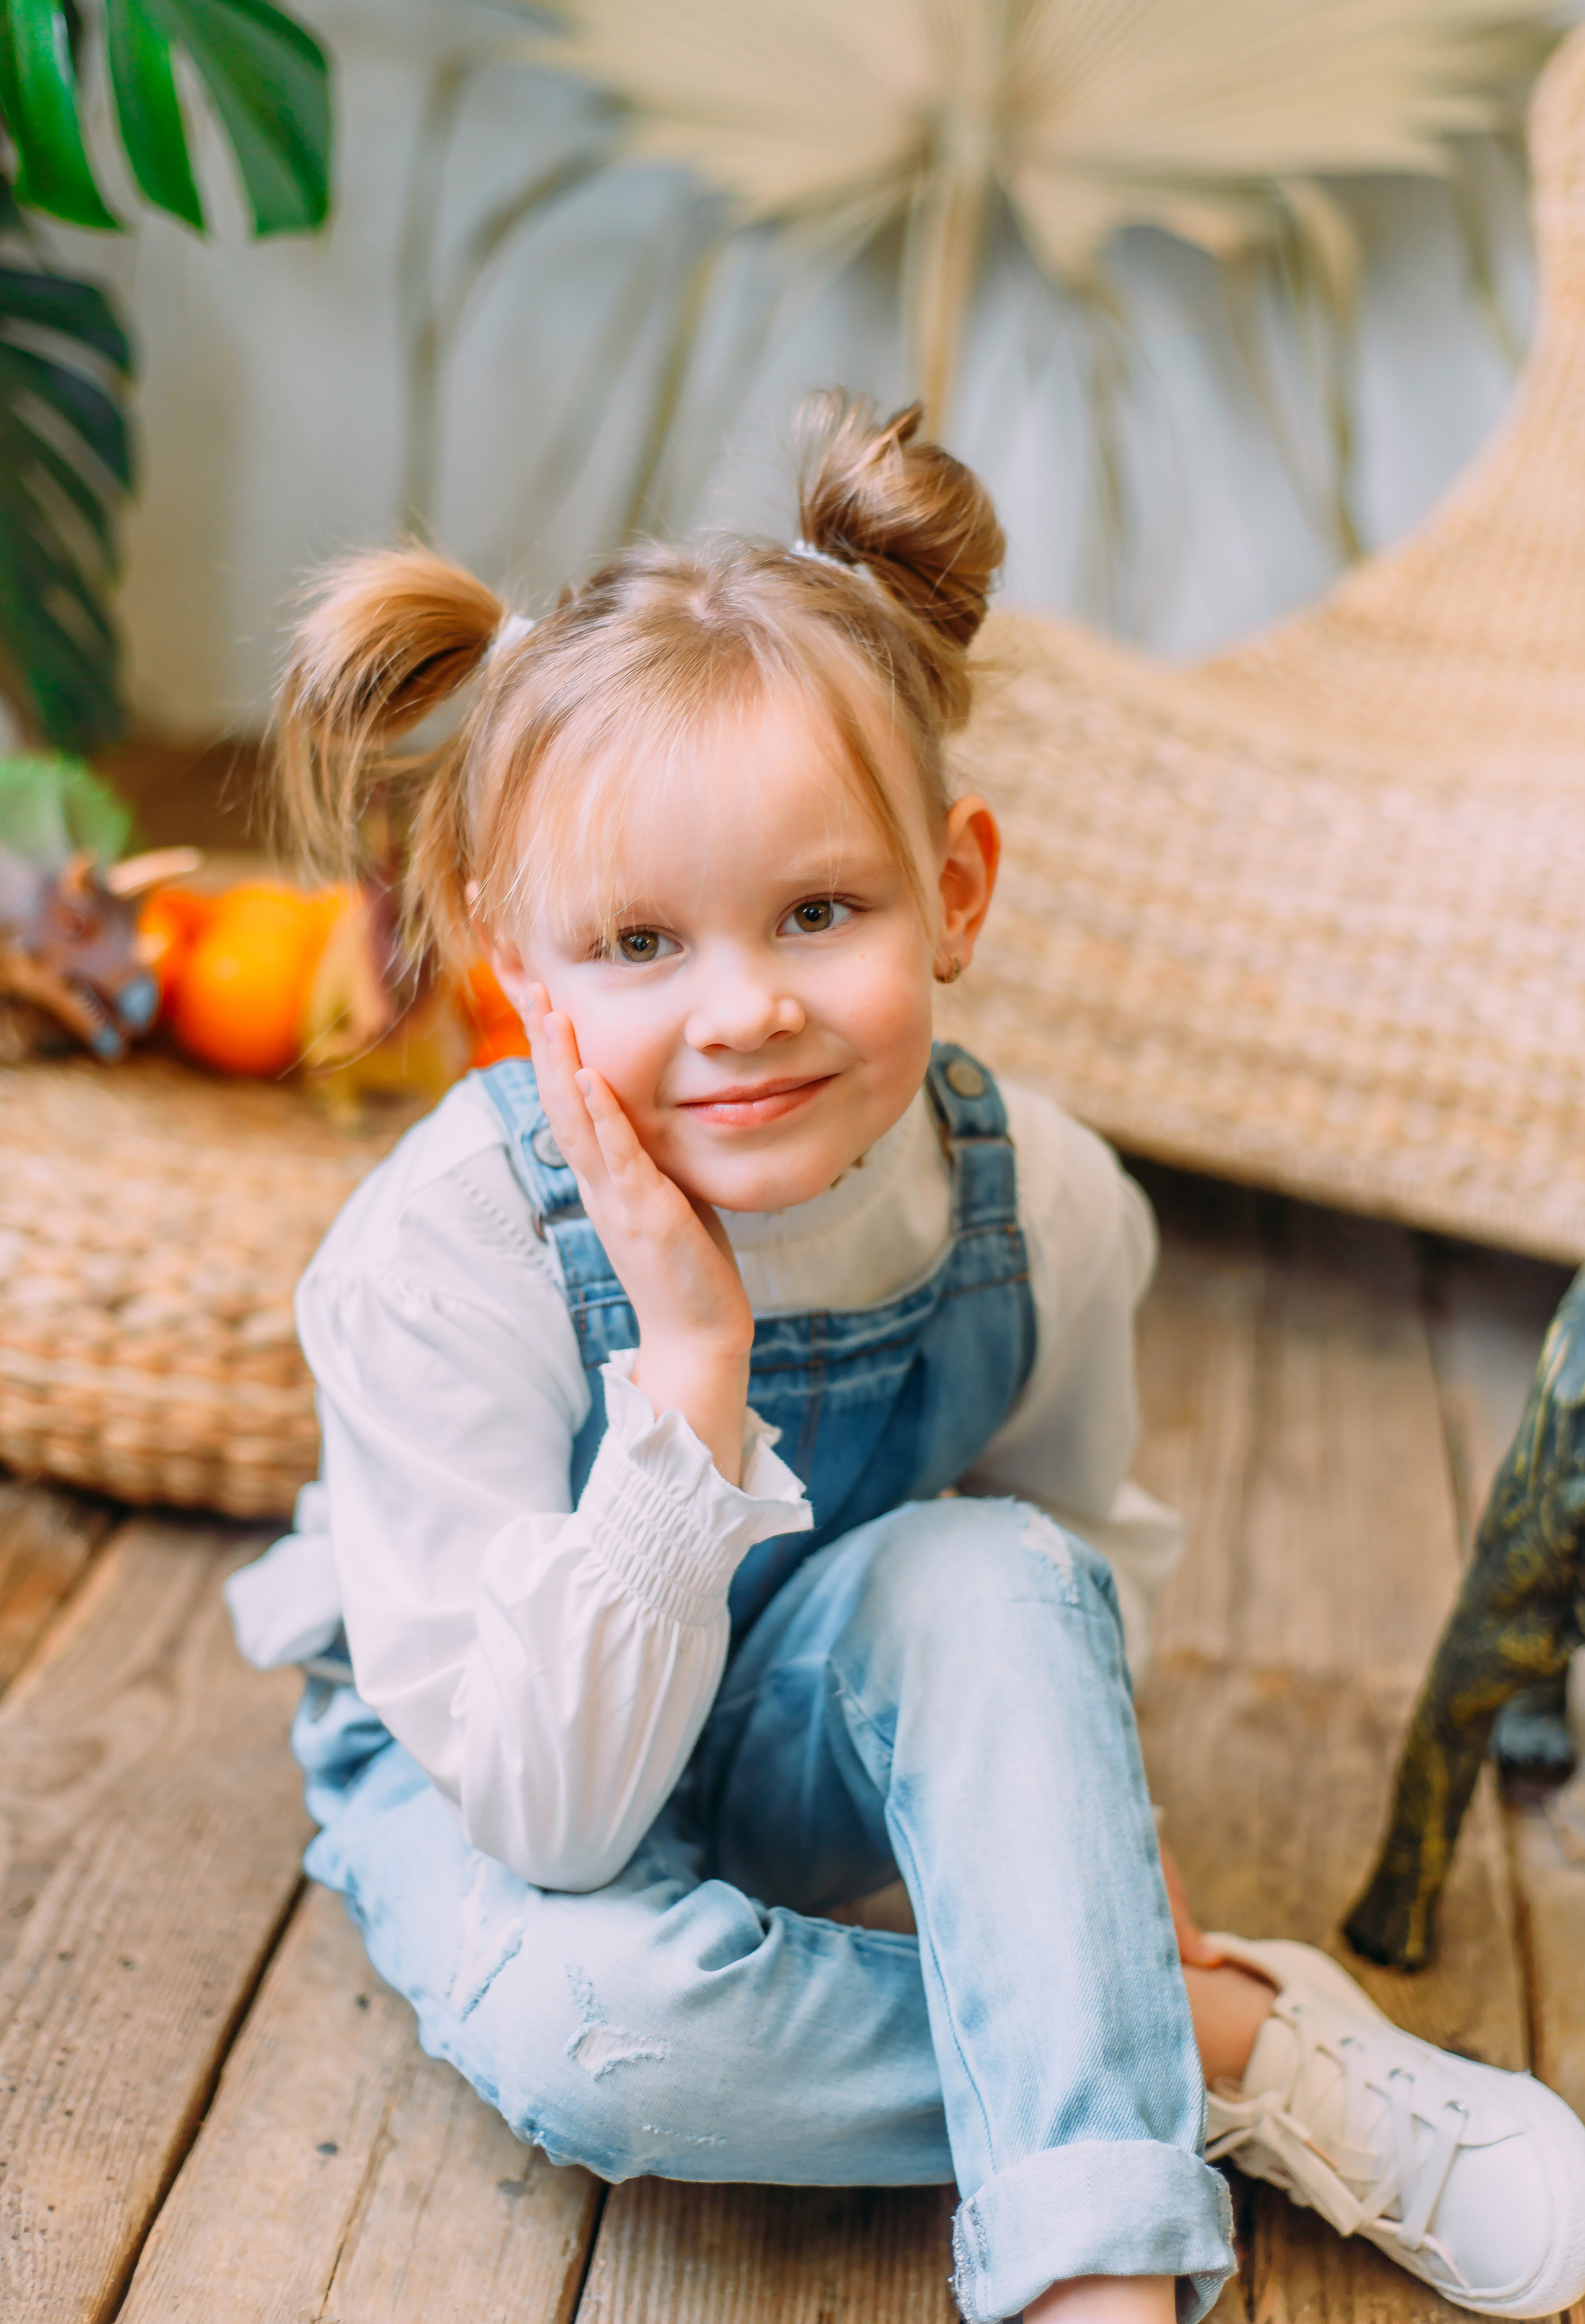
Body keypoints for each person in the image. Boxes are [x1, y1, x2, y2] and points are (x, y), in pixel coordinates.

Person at [228, 396, 1585, 2324]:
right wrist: (691, 1368)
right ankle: (1211, 2049)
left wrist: (1080, 1846)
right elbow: (563, 1823)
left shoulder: (1050, 1203)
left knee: (991, 1562)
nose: (746, 1006)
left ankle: (1090, 2280)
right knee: (589, 2032)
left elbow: (1060, 1591)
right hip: (504, 1763)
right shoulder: (441, 1257)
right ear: (506, 958)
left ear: (955, 887)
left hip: (818, 1723)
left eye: (819, 909)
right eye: (635, 942)